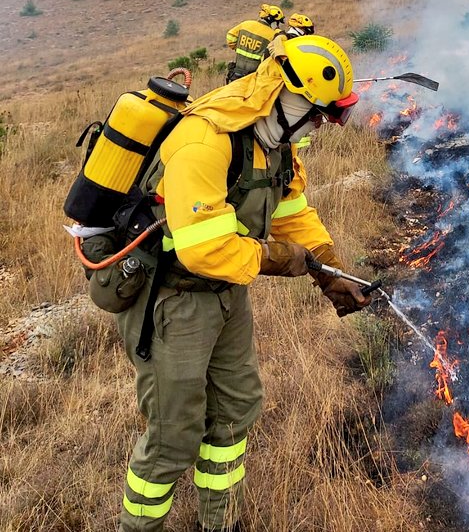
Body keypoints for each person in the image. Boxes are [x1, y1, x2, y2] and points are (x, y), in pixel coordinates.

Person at [116, 35, 371, 532]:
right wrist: (279, 259)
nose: (320, 124)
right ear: (287, 95)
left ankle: (221, 522)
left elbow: (293, 213)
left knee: (235, 413)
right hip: (173, 301)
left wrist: (327, 268)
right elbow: (202, 247)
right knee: (174, 436)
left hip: (227, 294)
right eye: (318, 112)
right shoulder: (205, 140)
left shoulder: (275, 145)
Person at [224, 4, 284, 83]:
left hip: (236, 74)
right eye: (278, 23)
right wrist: (277, 31)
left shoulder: (246, 24)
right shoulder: (272, 35)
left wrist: (239, 47)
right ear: (273, 21)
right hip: (253, 78)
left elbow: (230, 37)